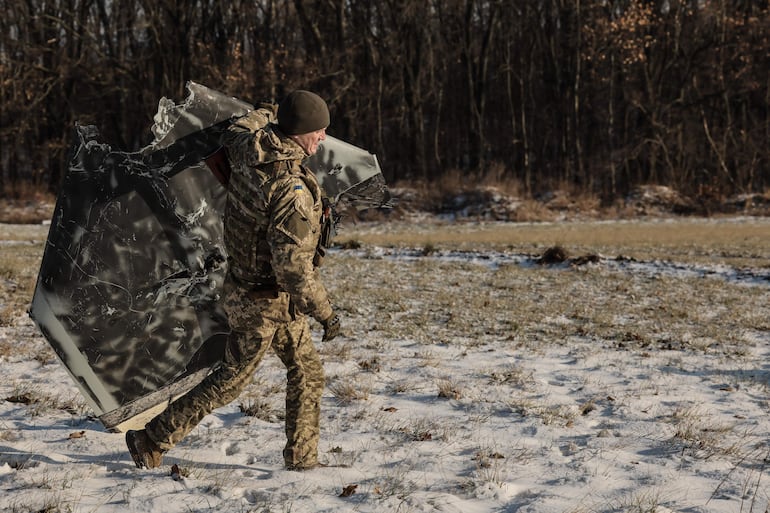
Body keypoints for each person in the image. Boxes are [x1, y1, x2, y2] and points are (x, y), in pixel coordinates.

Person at [126, 90, 341, 471]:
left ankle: (303, 461)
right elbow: (293, 269)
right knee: (230, 380)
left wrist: (269, 112)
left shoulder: (247, 146)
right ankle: (151, 438)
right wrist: (325, 312)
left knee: (307, 372)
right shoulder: (288, 191)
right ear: (299, 133)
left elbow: (245, 123)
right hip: (265, 301)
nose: (322, 139)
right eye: (319, 132)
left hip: (252, 288)